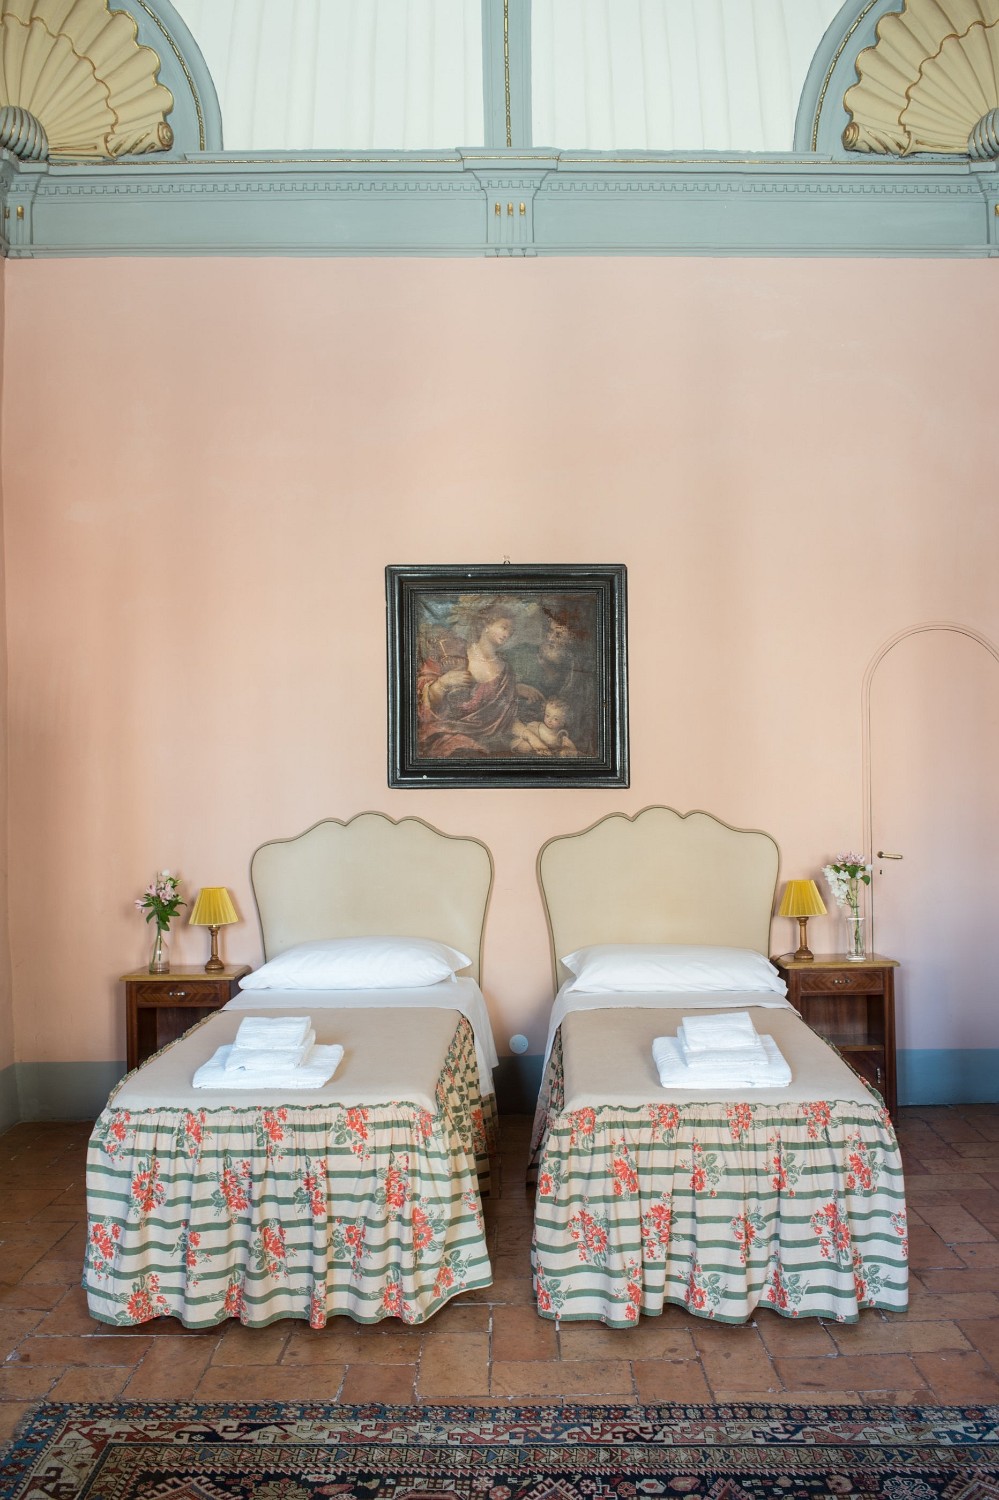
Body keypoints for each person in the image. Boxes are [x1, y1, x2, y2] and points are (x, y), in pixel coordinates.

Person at [417, 598, 527, 758]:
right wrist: (442, 684)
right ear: (487, 624)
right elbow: (425, 703)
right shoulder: (455, 654)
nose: (507, 634)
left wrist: (529, 734)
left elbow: (508, 717)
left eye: (511, 631)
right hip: (449, 732)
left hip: (490, 739)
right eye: (504, 627)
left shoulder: (506, 670)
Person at [511, 697, 579, 757]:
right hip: (528, 749)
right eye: (547, 715)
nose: (549, 720)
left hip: (544, 755)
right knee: (526, 746)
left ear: (563, 722)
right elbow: (522, 734)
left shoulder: (560, 736)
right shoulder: (535, 726)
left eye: (555, 719)